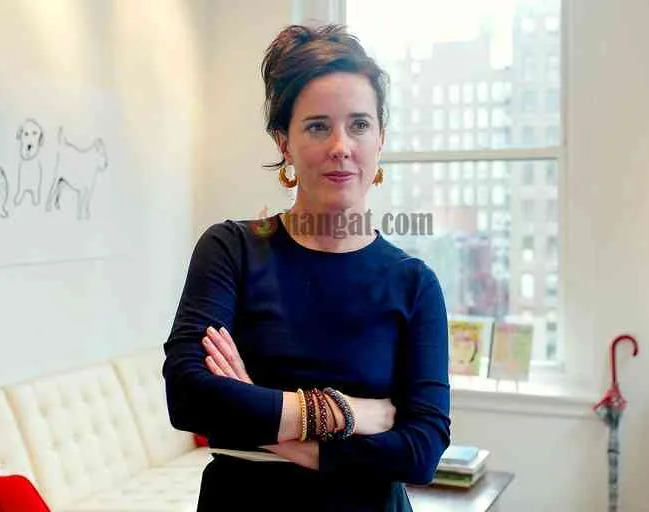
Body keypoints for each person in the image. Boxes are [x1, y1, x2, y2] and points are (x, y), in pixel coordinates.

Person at [162, 24, 451, 512]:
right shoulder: (231, 250)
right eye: (318, 126)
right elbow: (189, 397)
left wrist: (261, 416)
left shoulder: (414, 283)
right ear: (284, 143)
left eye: (359, 124)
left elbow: (421, 452)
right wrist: (345, 412)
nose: (341, 145)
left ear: (381, 139)